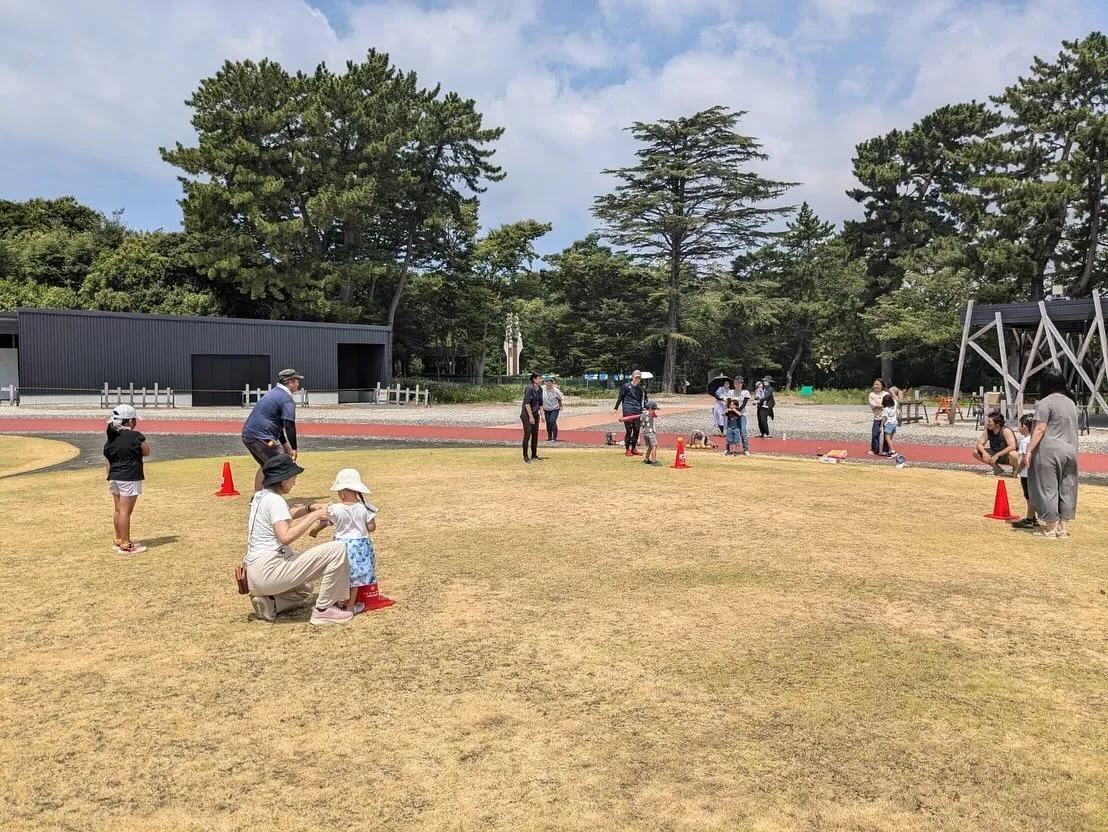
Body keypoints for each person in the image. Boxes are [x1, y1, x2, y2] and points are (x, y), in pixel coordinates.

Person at [244, 454, 353, 625]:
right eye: (292, 477)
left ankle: (270, 604)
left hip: (255, 574)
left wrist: (309, 508)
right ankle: (324, 610)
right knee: (337, 549)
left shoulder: (261, 497)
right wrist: (315, 516)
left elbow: (284, 514)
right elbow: (285, 537)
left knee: (304, 588)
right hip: (269, 569)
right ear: (283, 480)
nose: (294, 481)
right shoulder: (275, 500)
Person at [310, 468, 379, 614]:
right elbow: (372, 528)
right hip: (360, 545)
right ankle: (350, 606)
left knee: (341, 574)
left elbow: (325, 523)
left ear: (341, 492)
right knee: (356, 578)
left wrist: (314, 531)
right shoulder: (365, 508)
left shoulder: (335, 509)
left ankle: (338, 601)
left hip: (341, 545)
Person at [1026, 369, 1079, 539]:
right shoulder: (1071, 403)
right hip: (1070, 449)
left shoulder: (1045, 403)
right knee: (1067, 487)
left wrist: (1029, 450)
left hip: (1049, 450)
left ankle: (1050, 528)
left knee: (1048, 487)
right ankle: (1063, 528)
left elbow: (1040, 428)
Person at [241, 368, 304, 493]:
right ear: (290, 382)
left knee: (267, 466)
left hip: (249, 435)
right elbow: (289, 425)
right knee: (281, 464)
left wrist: (285, 444)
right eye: (297, 380)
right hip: (262, 438)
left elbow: (277, 424)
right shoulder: (286, 399)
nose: (298, 383)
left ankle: (257, 497)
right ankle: (272, 497)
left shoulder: (274, 393)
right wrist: (294, 448)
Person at [103, 404, 151, 555]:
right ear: (130, 421)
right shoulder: (135, 436)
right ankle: (126, 544)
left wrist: (110, 475)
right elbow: (146, 451)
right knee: (125, 512)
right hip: (129, 477)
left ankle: (119, 539)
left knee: (118, 510)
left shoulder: (110, 439)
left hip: (115, 477)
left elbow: (108, 460)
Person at [1011, 414, 1039, 530]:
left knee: (1028, 497)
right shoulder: (1036, 439)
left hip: (1026, 473)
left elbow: (1023, 458)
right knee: (1032, 496)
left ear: (1024, 426)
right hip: (1036, 473)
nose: (1019, 428)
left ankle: (1029, 519)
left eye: (1020, 425)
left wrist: (1017, 470)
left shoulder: (1025, 441)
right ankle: (1033, 517)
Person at [973, 410, 1019, 475]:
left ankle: (1016, 470)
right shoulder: (988, 431)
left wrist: (998, 455)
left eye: (989, 421)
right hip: (995, 453)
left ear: (997, 424)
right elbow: (980, 444)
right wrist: (984, 452)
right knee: (976, 452)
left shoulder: (1006, 431)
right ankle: (997, 468)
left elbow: (1012, 446)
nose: (987, 423)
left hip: (1007, 455)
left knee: (1013, 454)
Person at [614, 369, 647, 455]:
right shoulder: (626, 386)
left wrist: (646, 409)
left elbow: (644, 400)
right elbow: (620, 397)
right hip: (628, 409)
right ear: (632, 377)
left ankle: (634, 448)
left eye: (639, 378)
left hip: (637, 410)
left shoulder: (641, 389)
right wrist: (615, 408)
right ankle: (627, 449)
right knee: (629, 430)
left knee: (636, 430)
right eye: (636, 377)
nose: (637, 379)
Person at [521, 371, 544, 464]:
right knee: (527, 435)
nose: (542, 380)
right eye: (540, 378)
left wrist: (542, 415)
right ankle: (525, 456)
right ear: (534, 379)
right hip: (526, 415)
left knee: (535, 435)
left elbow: (541, 403)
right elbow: (527, 404)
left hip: (535, 414)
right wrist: (530, 417)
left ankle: (534, 455)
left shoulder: (540, 389)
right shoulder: (529, 388)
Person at [542, 376, 565, 442]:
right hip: (546, 408)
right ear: (545, 383)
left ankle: (554, 437)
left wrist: (560, 405)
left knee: (552, 421)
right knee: (548, 422)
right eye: (547, 382)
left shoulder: (556, 390)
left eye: (550, 382)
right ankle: (549, 437)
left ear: (553, 383)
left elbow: (561, 398)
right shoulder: (542, 389)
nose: (549, 384)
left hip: (554, 408)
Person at [867, 379, 886, 455]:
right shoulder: (871, 395)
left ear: (882, 386)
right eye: (875, 384)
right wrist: (883, 405)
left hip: (886, 417)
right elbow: (874, 406)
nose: (876, 386)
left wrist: (880, 405)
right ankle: (875, 450)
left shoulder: (886, 394)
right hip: (877, 417)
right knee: (875, 434)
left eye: (878, 384)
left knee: (886, 434)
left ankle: (885, 450)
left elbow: (889, 404)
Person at [733, 376, 752, 455]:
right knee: (732, 431)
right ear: (734, 384)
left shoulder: (745, 392)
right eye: (736, 383)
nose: (738, 385)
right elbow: (728, 402)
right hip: (732, 414)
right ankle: (730, 449)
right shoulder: (731, 392)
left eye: (740, 383)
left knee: (743, 431)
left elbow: (744, 404)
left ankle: (746, 449)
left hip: (742, 414)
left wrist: (737, 411)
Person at [640, 401, 662, 466]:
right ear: (650, 408)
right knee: (654, 446)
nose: (654, 410)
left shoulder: (642, 414)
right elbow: (655, 415)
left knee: (649, 446)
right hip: (650, 432)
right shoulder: (650, 413)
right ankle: (654, 461)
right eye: (654, 409)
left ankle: (646, 459)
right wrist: (651, 411)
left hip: (644, 432)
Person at [880, 393, 899, 458]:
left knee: (887, 438)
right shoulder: (894, 406)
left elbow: (884, 418)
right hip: (894, 424)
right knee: (890, 438)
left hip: (888, 424)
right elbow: (896, 398)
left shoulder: (885, 409)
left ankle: (892, 451)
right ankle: (890, 450)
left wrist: (881, 426)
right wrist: (892, 394)